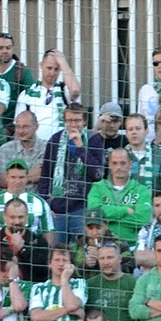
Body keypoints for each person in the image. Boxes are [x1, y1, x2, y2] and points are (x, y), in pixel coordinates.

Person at [37, 103, 105, 243]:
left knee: (80, 253)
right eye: (69, 120)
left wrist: (80, 147)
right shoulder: (55, 140)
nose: (73, 124)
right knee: (57, 253)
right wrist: (46, 205)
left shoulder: (94, 139)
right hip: (57, 210)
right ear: (64, 121)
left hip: (82, 209)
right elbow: (45, 175)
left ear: (85, 121)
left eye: (77, 120)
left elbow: (98, 174)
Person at [0, 157, 55, 250]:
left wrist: (47, 254)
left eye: (21, 177)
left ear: (27, 178)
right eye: (13, 177)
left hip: (31, 252)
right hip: (0, 250)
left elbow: (48, 231)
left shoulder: (40, 202)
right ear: (7, 177)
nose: (17, 181)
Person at [86, 147, 153, 243]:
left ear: (130, 164)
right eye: (114, 163)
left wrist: (109, 219)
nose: (118, 167)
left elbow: (143, 219)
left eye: (122, 163)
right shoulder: (97, 188)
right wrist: (125, 210)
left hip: (131, 246)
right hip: (103, 248)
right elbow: (95, 215)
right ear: (109, 164)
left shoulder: (141, 190)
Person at [15, 49, 81, 142]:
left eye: (56, 69)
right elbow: (18, 124)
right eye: (49, 68)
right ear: (41, 65)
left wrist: (63, 62)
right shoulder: (27, 94)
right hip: (35, 147)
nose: (52, 73)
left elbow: (75, 90)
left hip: (59, 145)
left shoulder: (63, 90)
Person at [85, 240, 137, 321]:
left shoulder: (133, 283)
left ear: (120, 259)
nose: (106, 262)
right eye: (102, 258)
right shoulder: (90, 284)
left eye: (110, 257)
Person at [123, 112, 161, 195]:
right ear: (126, 134)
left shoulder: (159, 157)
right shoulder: (119, 157)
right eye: (130, 129)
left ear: (146, 131)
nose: (134, 132)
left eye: (138, 128)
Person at [0, 32, 35, 138]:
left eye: (8, 48)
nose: (5, 51)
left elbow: (31, 99)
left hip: (14, 129)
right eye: (0, 48)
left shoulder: (21, 71)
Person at [0, 110, 47, 192]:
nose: (20, 131)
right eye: (18, 127)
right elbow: (2, 181)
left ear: (36, 127)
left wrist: (14, 178)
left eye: (25, 127)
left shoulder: (47, 148)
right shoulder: (5, 149)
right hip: (12, 200)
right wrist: (31, 175)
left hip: (40, 199)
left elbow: (48, 178)